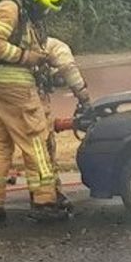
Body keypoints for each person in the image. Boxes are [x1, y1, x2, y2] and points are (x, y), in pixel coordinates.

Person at [0, 0, 68, 224]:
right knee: (36, 139)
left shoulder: (26, 11)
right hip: (15, 85)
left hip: (2, 86)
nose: (45, 10)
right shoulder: (10, 8)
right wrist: (26, 57)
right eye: (44, 4)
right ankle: (45, 200)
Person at [38, 36, 91, 211]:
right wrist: (84, 98)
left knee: (0, 147)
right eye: (58, 79)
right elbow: (70, 70)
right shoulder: (59, 49)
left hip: (2, 94)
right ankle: (47, 195)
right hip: (27, 97)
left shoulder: (36, 44)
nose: (60, 83)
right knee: (43, 144)